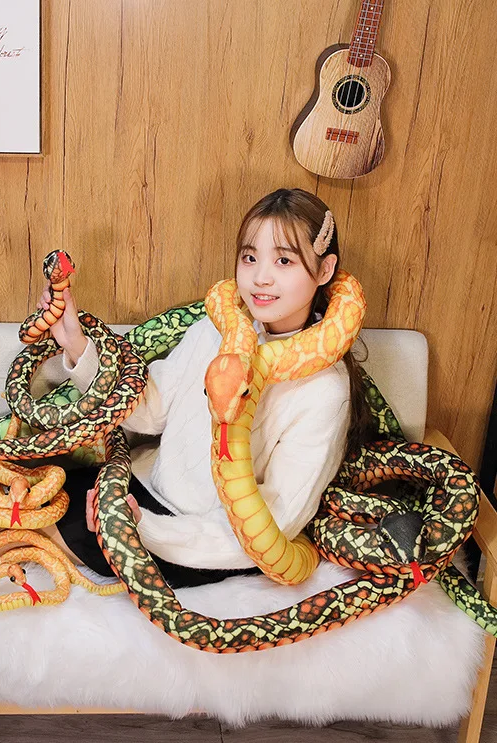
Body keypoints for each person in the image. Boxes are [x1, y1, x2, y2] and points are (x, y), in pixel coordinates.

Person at [28, 187, 378, 588]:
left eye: (284, 260)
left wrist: (144, 528)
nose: (261, 277)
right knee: (27, 495)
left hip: (204, 543)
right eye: (250, 257)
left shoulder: (325, 390)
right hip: (144, 489)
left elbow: (277, 519)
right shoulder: (217, 330)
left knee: (29, 530)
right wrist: (76, 343)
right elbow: (151, 411)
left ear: (325, 270)